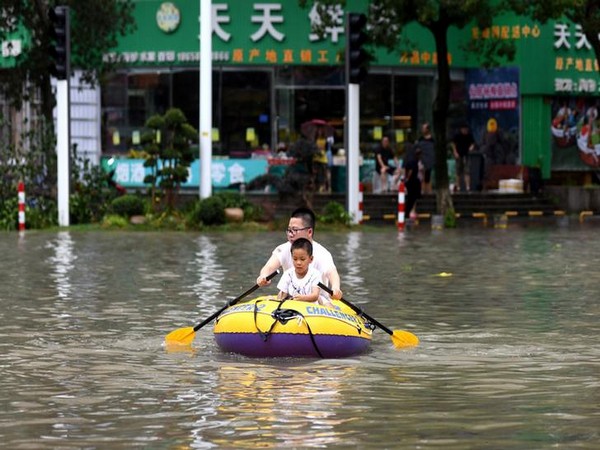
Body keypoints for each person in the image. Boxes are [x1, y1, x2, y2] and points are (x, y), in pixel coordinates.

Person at [256, 207, 343, 300]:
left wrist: (335, 288)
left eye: (295, 230)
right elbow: (269, 267)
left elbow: (332, 273)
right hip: (291, 299)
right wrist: (263, 276)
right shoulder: (283, 249)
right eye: (289, 230)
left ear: (309, 232)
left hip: (318, 302)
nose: (290, 234)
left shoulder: (323, 253)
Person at [277, 238, 322, 303]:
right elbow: (282, 295)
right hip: (292, 309)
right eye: (295, 259)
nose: (298, 263)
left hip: (309, 309)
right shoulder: (288, 274)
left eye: (302, 259)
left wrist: (303, 298)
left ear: (311, 259)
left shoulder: (315, 274)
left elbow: (315, 296)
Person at [451, 123, 476, 192]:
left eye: (466, 129)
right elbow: (453, 143)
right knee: (458, 171)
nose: (465, 131)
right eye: (464, 129)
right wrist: (455, 152)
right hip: (459, 155)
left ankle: (468, 186)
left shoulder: (469, 136)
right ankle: (458, 186)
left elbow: (473, 143)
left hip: (466, 155)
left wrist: (471, 147)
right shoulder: (457, 136)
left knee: (467, 171)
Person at [403, 147, 422, 221]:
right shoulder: (413, 161)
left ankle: (408, 212)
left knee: (411, 198)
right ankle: (407, 212)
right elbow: (410, 171)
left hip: (412, 181)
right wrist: (407, 178)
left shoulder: (411, 160)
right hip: (412, 181)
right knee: (411, 198)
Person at [416, 122, 435, 194]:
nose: (422, 130)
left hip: (429, 160)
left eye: (424, 128)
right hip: (422, 160)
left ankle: (429, 192)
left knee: (428, 177)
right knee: (422, 177)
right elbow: (417, 150)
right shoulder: (420, 139)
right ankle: (422, 191)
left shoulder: (432, 140)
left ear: (428, 129)